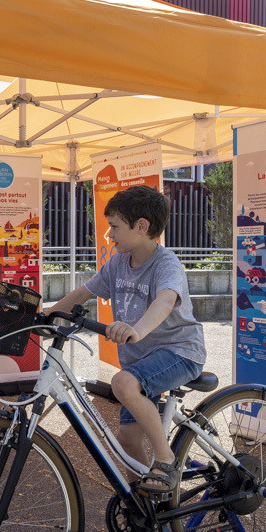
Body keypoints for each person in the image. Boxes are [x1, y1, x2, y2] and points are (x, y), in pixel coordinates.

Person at [48, 184, 206, 500]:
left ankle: (166, 461)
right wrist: (45, 315)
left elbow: (165, 301)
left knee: (122, 383)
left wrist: (137, 330)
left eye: (115, 227)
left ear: (141, 226)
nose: (109, 235)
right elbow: (83, 292)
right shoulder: (119, 262)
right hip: (141, 361)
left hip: (179, 351)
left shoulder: (166, 263)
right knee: (128, 439)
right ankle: (143, 505)